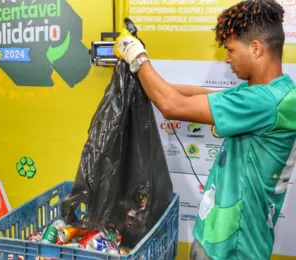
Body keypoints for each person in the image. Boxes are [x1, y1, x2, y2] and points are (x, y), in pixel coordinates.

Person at [114, 0, 296, 259]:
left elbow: (172, 106)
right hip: (215, 236)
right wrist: (146, 81)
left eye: (231, 50)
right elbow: (196, 95)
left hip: (233, 249)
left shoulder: (267, 102)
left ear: (256, 48)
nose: (227, 58)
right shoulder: (269, 92)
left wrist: (137, 57)